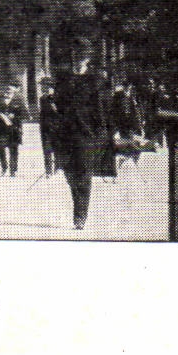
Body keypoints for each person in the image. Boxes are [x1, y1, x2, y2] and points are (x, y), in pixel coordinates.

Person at [51, 49, 114, 229]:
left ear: (87, 59)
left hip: (86, 133)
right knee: (69, 172)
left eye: (82, 58)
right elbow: (58, 103)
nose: (78, 61)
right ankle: (78, 204)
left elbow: (102, 107)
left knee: (83, 173)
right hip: (64, 133)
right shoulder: (63, 79)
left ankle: (80, 214)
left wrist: (100, 130)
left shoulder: (96, 81)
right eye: (75, 57)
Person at [0, 83, 27, 176]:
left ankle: (13, 170)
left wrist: (15, 116)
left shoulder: (19, 100)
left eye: (10, 90)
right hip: (1, 130)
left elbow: (25, 114)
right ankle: (4, 167)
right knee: (0, 147)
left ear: (14, 91)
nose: (7, 91)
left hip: (14, 128)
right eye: (6, 90)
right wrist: (0, 115)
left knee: (13, 149)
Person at [37, 77, 60, 177]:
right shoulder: (42, 98)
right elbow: (42, 114)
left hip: (56, 128)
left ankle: (57, 168)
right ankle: (48, 170)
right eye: (42, 86)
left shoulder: (57, 98)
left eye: (44, 86)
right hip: (45, 128)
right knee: (46, 149)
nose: (42, 88)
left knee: (57, 148)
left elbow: (59, 113)